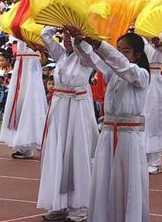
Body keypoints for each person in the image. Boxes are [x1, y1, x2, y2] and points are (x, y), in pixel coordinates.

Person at [75, 32, 150, 222]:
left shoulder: (141, 75)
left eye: (126, 50)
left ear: (138, 54)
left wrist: (101, 45)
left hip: (128, 136)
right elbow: (93, 60)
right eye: (119, 50)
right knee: (104, 179)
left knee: (127, 180)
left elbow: (123, 66)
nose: (121, 54)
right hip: (108, 133)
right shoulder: (113, 74)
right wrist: (80, 42)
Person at [36, 27, 99, 222]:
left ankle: (79, 208)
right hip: (59, 109)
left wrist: (79, 38)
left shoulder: (87, 57)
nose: (67, 40)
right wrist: (58, 26)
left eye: (70, 37)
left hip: (77, 109)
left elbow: (86, 54)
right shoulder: (61, 55)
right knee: (57, 155)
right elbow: (44, 35)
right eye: (65, 36)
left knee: (77, 154)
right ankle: (59, 204)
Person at [0, 38, 47, 159]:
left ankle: (43, 143)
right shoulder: (19, 27)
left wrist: (40, 48)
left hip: (32, 67)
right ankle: (24, 145)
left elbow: (44, 56)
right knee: (20, 104)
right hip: (20, 66)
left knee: (34, 102)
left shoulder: (37, 27)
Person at [142, 37, 162, 174]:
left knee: (154, 119)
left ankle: (154, 161)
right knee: (142, 118)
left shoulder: (160, 42)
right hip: (142, 78)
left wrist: (159, 43)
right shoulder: (140, 40)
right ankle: (141, 157)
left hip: (154, 80)